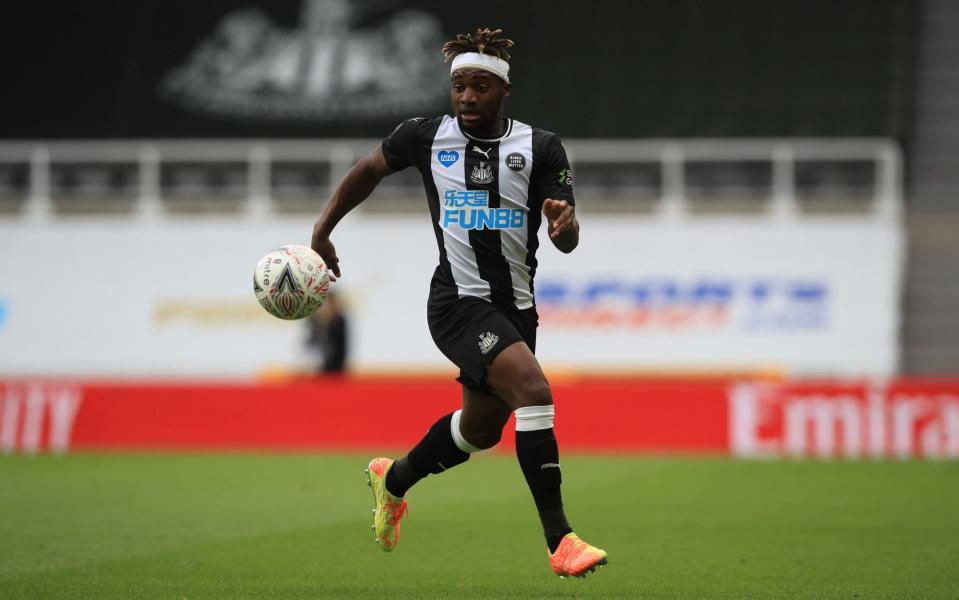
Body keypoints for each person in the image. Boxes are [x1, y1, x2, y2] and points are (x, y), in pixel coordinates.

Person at [310, 27, 607, 578]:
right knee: (534, 390)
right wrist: (324, 229)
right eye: (459, 87)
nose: (468, 97)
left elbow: (564, 236)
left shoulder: (541, 147)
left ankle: (392, 479)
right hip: (456, 304)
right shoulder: (424, 137)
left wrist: (566, 225)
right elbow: (367, 170)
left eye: (480, 87)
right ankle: (560, 539)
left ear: (504, 92)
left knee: (480, 430)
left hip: (516, 308)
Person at [304, 290, 348, 374]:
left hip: (335, 367)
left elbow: (338, 347)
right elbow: (311, 342)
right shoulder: (316, 321)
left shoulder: (339, 321)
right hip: (319, 366)